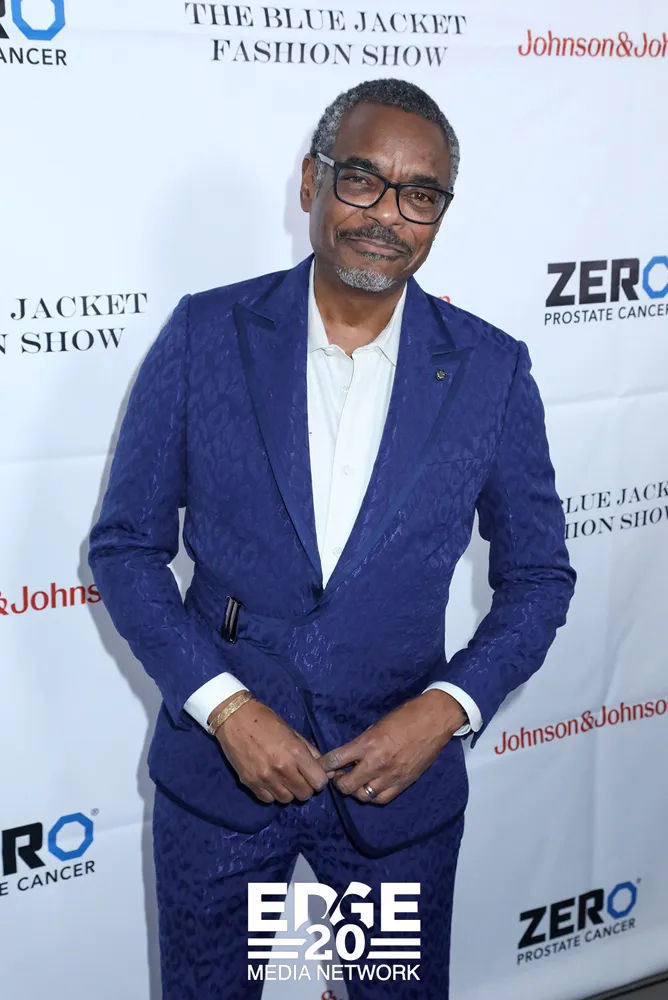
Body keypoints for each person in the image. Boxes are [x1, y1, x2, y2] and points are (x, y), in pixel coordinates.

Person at [88, 77, 576, 999]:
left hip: (398, 794)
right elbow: (125, 547)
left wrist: (445, 710)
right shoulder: (204, 334)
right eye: (362, 179)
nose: (387, 213)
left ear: (440, 215)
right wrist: (225, 708)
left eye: (420, 194)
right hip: (220, 785)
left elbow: (540, 578)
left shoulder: (493, 371)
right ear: (312, 181)